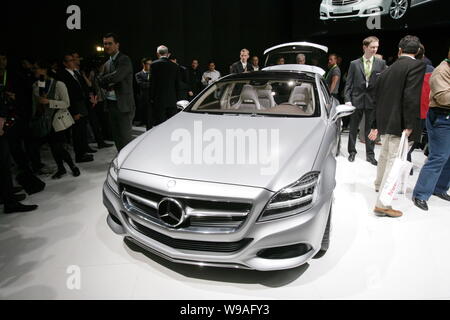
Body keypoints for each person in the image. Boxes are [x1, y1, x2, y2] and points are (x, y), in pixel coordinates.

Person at [368, 35, 426, 218]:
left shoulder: (387, 69)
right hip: (400, 123)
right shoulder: (417, 66)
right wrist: (409, 124)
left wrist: (376, 124)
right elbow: (411, 97)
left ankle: (379, 185)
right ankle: (383, 204)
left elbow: (377, 99)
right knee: (394, 161)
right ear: (417, 52)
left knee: (385, 155)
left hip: (385, 121)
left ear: (400, 50)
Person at [0, 51, 38, 214]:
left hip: (10, 119)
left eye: (4, 58)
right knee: (3, 161)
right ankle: (9, 201)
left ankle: (6, 194)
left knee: (5, 160)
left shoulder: (12, 75)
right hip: (2, 122)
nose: (3, 61)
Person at [412, 49, 450, 211]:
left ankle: (439, 188)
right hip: (441, 118)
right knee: (438, 156)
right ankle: (420, 193)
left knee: (448, 156)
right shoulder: (441, 71)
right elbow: (443, 97)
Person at [32, 60, 80, 180]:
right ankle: (61, 168)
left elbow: (66, 103)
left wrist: (49, 102)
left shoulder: (59, 84)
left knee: (58, 146)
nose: (34, 71)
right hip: (45, 121)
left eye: (36, 68)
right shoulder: (35, 85)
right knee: (53, 147)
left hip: (57, 120)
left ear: (44, 70)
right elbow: (35, 104)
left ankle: (72, 166)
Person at [345, 36, 387, 166]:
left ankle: (370, 155)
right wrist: (348, 100)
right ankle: (352, 152)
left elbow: (383, 84)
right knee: (353, 127)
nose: (374, 49)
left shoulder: (381, 63)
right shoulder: (354, 64)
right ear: (365, 47)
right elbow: (348, 84)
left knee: (370, 129)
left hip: (372, 101)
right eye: (372, 47)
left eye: (376, 47)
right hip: (356, 100)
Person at [98, 33, 136, 152]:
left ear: (117, 45)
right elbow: (99, 81)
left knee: (125, 139)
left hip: (123, 106)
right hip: (111, 105)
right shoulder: (107, 63)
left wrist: (106, 80)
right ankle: (121, 162)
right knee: (117, 138)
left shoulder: (124, 59)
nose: (107, 46)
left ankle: (129, 165)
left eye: (110, 43)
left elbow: (116, 77)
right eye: (105, 44)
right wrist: (107, 80)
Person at [59, 54, 94, 163]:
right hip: (74, 106)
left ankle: (83, 152)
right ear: (65, 63)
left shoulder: (75, 73)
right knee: (77, 132)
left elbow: (84, 88)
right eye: (70, 60)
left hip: (82, 104)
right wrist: (73, 111)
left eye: (74, 60)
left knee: (82, 129)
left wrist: (90, 98)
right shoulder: (63, 75)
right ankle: (79, 155)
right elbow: (67, 95)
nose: (74, 62)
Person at [149, 45, 181, 127]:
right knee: (172, 125)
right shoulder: (175, 66)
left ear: (157, 54)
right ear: (167, 54)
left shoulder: (153, 65)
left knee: (159, 125)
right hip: (172, 100)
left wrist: (151, 98)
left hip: (159, 100)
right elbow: (177, 84)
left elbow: (152, 83)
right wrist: (177, 98)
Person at [135, 58, 152, 126]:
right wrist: (151, 83)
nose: (150, 66)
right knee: (144, 112)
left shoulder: (154, 74)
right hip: (143, 97)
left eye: (151, 64)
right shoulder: (138, 74)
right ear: (143, 64)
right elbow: (142, 85)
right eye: (148, 64)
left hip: (153, 96)